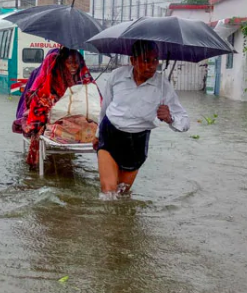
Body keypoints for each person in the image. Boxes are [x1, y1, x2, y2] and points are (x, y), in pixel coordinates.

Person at [93, 40, 190, 199]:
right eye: (145, 60)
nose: (151, 65)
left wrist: (170, 118)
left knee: (122, 193)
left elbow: (185, 121)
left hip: (137, 142)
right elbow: (105, 108)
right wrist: (97, 134)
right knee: (109, 192)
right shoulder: (117, 76)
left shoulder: (163, 85)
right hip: (110, 135)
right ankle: (107, 224)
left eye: (154, 60)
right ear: (133, 60)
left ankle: (122, 223)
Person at [23, 47, 98, 168]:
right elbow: (41, 103)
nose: (74, 66)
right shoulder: (52, 79)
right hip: (57, 119)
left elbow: (94, 102)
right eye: (70, 63)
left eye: (76, 63)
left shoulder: (83, 79)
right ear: (63, 63)